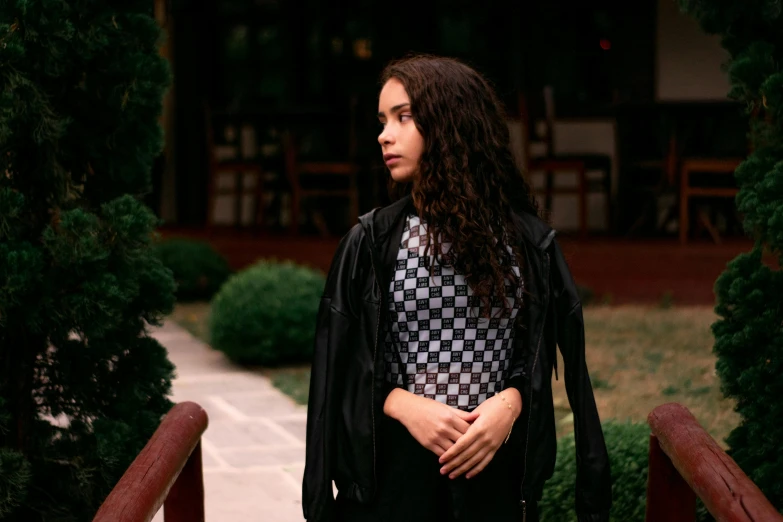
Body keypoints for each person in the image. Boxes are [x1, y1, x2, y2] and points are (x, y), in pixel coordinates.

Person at [302, 54, 611, 522]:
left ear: (452, 123)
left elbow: (535, 356)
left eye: (404, 117)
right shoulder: (371, 242)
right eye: (383, 121)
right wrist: (402, 403)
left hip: (494, 478)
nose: (385, 134)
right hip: (395, 482)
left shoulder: (527, 242)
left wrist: (510, 402)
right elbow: (338, 374)